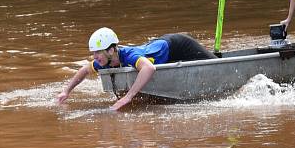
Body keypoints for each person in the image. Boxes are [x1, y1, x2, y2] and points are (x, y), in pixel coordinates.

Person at [56, 27, 216, 110]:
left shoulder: (128, 55)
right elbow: (84, 70)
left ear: (111, 50)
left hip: (178, 44)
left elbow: (149, 68)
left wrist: (128, 97)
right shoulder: (105, 60)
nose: (95, 57)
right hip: (160, 49)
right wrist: (66, 91)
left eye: (98, 52)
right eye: (93, 53)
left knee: (215, 65)